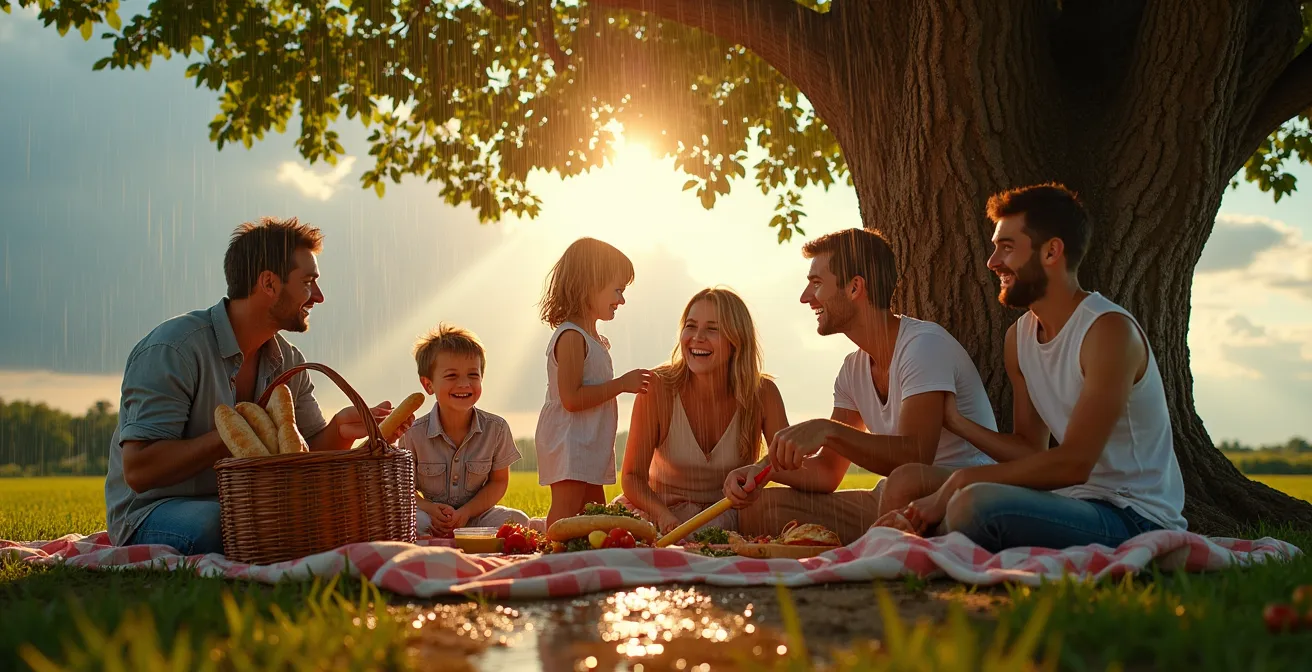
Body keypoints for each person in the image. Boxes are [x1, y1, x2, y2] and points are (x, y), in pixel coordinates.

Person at [887, 183, 1187, 552]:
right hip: (1070, 500)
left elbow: (1074, 464)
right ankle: (921, 536)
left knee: (971, 502)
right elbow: (1030, 449)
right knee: (909, 482)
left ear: (1051, 251)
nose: (992, 261)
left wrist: (961, 481)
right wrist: (959, 423)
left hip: (1132, 516)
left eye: (1007, 247)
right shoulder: (1019, 339)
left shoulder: (1108, 332)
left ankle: (920, 538)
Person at [104, 217, 414, 555]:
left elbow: (304, 456)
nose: (319, 297)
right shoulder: (173, 349)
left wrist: (340, 430)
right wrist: (235, 434)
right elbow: (139, 470)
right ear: (269, 283)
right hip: (155, 510)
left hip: (253, 506)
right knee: (230, 525)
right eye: (308, 282)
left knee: (323, 518)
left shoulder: (290, 361)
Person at [724, 227, 1000, 543]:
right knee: (761, 508)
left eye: (817, 283)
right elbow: (828, 472)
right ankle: (877, 544)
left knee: (906, 482)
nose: (805, 297)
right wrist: (763, 471)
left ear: (855, 287)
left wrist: (827, 430)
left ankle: (882, 547)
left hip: (954, 495)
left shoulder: (923, 346)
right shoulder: (852, 370)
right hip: (893, 500)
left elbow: (913, 457)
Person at [616, 288, 789, 534]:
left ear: (736, 340)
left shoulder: (763, 393)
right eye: (691, 326)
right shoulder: (657, 387)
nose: (697, 337)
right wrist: (664, 517)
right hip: (656, 515)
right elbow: (632, 476)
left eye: (712, 329)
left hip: (731, 521)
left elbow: (787, 463)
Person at [535, 237, 653, 529]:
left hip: (588, 441)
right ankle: (551, 551)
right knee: (567, 512)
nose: (622, 300)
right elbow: (572, 399)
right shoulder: (572, 337)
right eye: (617, 290)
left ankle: (584, 555)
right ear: (589, 286)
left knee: (595, 515)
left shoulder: (593, 339)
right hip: (570, 441)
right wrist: (621, 384)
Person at [400, 324, 530, 537]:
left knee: (518, 520)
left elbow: (498, 482)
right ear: (428, 385)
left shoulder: (496, 428)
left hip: (476, 516)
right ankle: (438, 537)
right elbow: (405, 488)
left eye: (472, 375)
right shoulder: (413, 433)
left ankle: (451, 537)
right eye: (452, 376)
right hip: (431, 518)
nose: (464, 384)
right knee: (408, 520)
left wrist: (466, 512)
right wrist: (431, 509)